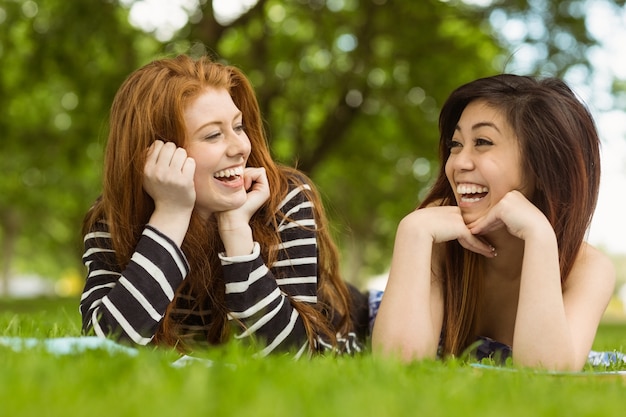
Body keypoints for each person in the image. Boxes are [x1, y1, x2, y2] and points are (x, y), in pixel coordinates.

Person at [80, 54, 369, 358]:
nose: (241, 147)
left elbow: (294, 357)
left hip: (371, 321)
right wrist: (170, 215)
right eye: (213, 134)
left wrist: (236, 232)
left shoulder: (284, 199)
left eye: (239, 126)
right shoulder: (113, 218)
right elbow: (103, 348)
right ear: (156, 153)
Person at [371, 74, 615, 371]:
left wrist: (540, 237)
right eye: (456, 144)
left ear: (541, 165)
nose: (459, 162)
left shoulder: (588, 268)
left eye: (483, 142)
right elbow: (398, 364)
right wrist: (412, 232)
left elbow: (548, 372)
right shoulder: (437, 231)